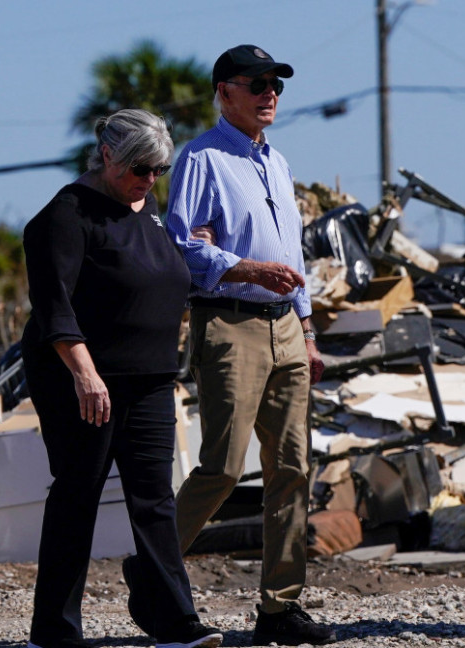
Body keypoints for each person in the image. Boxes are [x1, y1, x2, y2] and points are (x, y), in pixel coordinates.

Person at [21, 109, 223, 648]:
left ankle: (176, 624)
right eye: (139, 167)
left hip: (151, 380)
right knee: (78, 495)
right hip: (84, 381)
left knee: (155, 500)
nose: (148, 179)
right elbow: (53, 307)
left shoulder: (147, 206)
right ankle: (55, 630)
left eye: (159, 169)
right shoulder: (65, 215)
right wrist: (85, 375)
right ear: (107, 154)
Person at [163, 45, 335, 646]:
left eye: (276, 85)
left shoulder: (279, 163)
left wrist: (308, 331)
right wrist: (246, 268)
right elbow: (180, 247)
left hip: (286, 325)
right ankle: (152, 567)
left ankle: (279, 609)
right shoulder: (201, 159)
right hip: (230, 324)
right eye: (257, 83)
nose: (270, 94)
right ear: (224, 92)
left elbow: (294, 258)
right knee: (223, 467)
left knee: (293, 467)